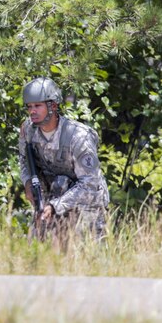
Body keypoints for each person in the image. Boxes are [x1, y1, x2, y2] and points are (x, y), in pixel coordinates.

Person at [18, 77, 109, 240]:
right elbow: (24, 161)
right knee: (38, 250)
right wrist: (27, 183)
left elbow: (90, 182)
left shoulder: (78, 137)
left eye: (37, 106)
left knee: (87, 254)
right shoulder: (28, 130)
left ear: (53, 106)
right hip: (52, 198)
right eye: (29, 107)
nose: (32, 111)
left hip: (86, 203)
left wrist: (55, 206)